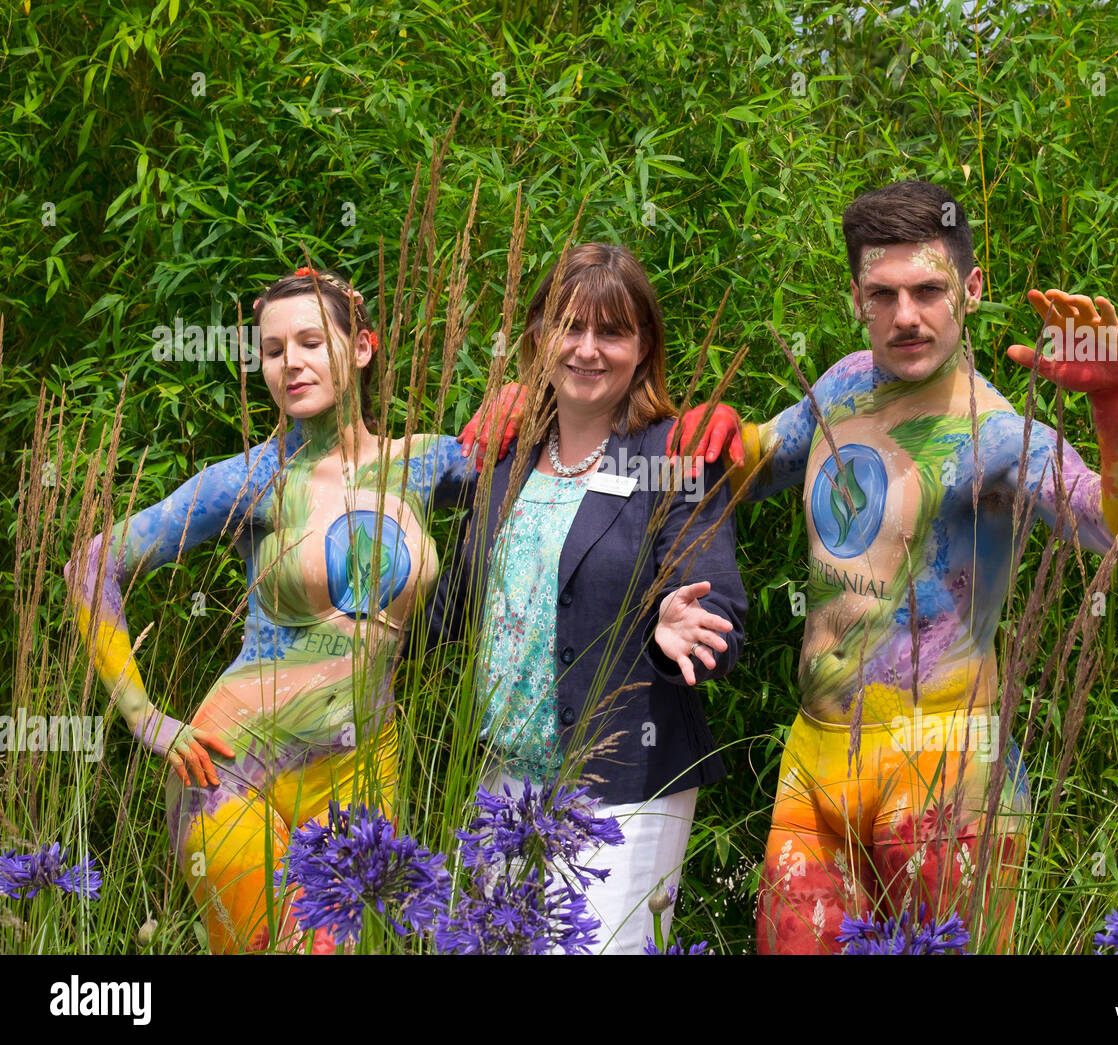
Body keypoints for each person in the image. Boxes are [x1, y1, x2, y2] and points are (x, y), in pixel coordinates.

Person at [672, 180, 1118, 953]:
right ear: (856, 297)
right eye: (884, 293)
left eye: (929, 289)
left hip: (947, 773)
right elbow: (733, 470)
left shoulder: (1004, 436)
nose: (907, 315)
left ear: (971, 288)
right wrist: (719, 424)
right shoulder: (838, 388)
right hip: (817, 757)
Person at [63, 267, 504, 953]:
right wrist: (145, 717)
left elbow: (553, 447)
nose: (290, 362)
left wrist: (518, 392)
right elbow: (94, 564)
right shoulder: (251, 479)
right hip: (231, 771)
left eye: (310, 341)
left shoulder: (423, 464)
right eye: (273, 350)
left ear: (361, 347)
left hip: (365, 770)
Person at [429, 242, 747, 954]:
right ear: (539, 335)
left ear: (643, 348)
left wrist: (683, 628)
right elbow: (453, 604)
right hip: (503, 773)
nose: (586, 348)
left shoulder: (676, 453)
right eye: (569, 325)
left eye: (611, 331)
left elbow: (721, 608)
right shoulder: (508, 459)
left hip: (625, 780)